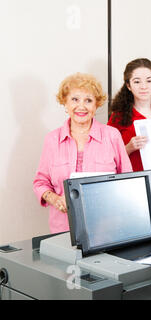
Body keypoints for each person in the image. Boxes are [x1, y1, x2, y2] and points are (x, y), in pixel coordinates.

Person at [33, 73, 132, 234]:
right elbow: (40, 182)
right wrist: (55, 199)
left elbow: (128, 180)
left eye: (88, 100)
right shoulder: (52, 139)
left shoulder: (112, 135)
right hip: (63, 228)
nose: (81, 106)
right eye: (75, 99)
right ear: (64, 103)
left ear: (97, 105)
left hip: (107, 227)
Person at [108, 58, 151, 232]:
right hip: (132, 191)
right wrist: (129, 147)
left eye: (149, 80)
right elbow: (108, 157)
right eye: (137, 81)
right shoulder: (118, 116)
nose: (144, 86)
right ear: (129, 86)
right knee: (135, 244)